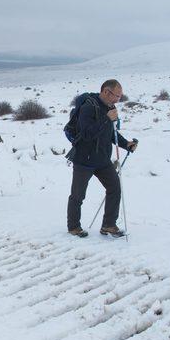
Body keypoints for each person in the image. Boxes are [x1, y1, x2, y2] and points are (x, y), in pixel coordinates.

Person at [66, 79, 138, 238]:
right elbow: (86, 134)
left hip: (102, 159)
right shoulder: (88, 107)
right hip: (84, 158)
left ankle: (109, 225)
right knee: (78, 195)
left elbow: (110, 133)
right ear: (106, 91)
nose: (118, 100)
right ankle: (73, 227)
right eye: (117, 96)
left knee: (114, 188)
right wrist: (106, 118)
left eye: (120, 96)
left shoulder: (109, 108)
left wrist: (126, 144)